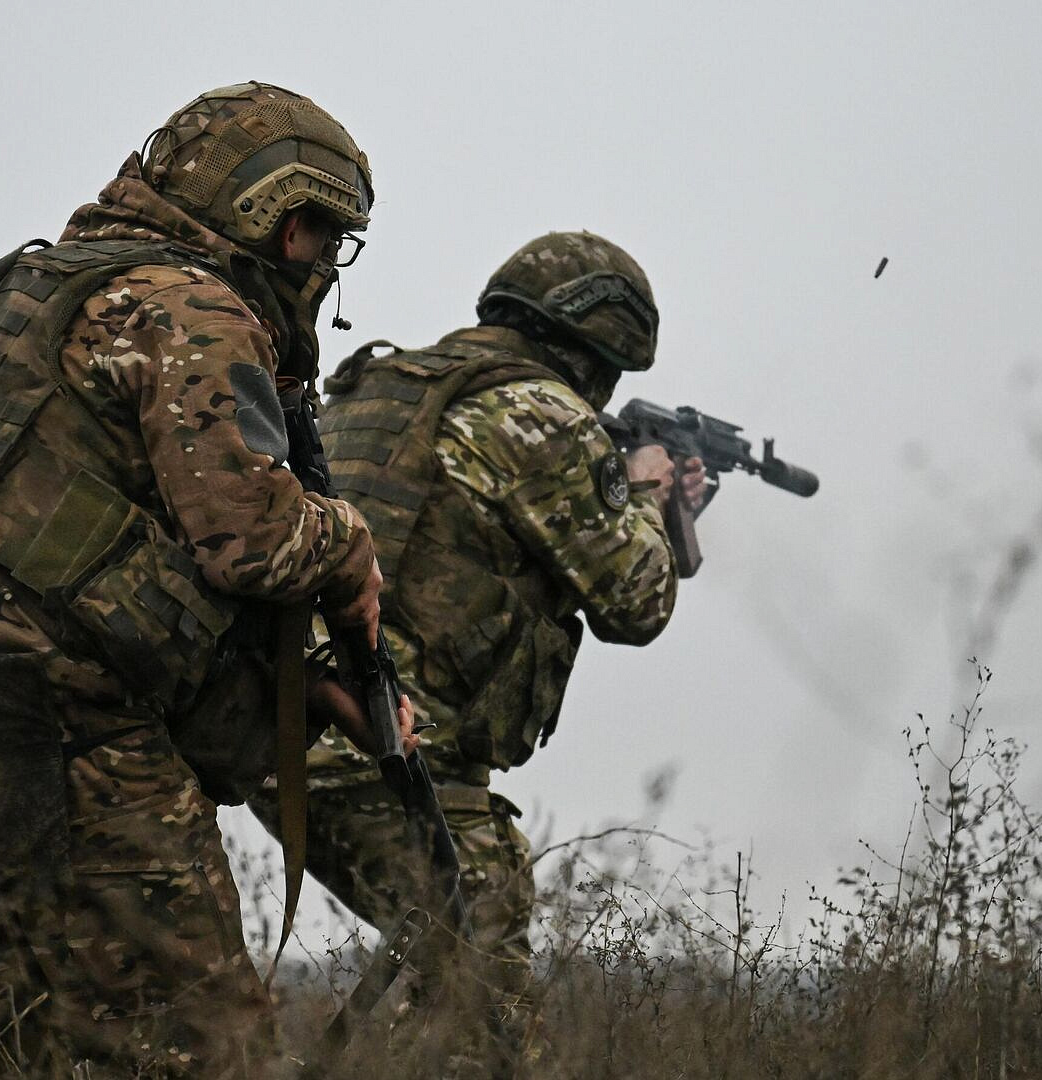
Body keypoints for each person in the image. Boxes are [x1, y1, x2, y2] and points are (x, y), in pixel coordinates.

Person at [0, 82, 408, 1076]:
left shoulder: (46, 288)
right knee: (203, 1047)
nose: (323, 268)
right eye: (323, 238)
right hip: (58, 715)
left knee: (11, 1046)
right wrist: (350, 551)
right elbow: (247, 536)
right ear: (283, 221)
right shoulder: (189, 302)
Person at [249, 231, 705, 1075]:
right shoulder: (540, 416)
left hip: (284, 735)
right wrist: (649, 490)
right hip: (390, 754)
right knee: (487, 1023)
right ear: (603, 350)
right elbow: (638, 603)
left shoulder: (392, 383)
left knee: (448, 990)